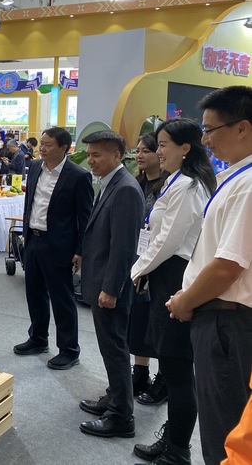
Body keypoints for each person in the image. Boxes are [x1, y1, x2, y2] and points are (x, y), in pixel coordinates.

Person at [168, 86, 252, 465]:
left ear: (242, 128)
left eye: (210, 130)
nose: (205, 140)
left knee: (224, 434)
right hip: (221, 318)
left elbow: (228, 265)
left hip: (227, 322)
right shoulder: (236, 176)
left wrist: (185, 301)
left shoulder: (248, 184)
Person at [130, 119, 215, 465]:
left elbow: (168, 239)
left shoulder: (189, 186)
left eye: (164, 145)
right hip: (166, 273)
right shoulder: (177, 180)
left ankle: (178, 449)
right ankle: (173, 440)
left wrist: (137, 269)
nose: (158, 151)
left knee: (178, 369)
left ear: (186, 148)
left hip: (176, 276)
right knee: (172, 364)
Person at [78, 131, 145, 439]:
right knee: (109, 346)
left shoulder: (126, 189)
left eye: (97, 155)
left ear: (117, 155)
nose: (91, 161)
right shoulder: (111, 183)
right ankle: (115, 397)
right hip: (102, 280)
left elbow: (124, 246)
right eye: (89, 155)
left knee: (115, 348)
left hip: (111, 285)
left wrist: (111, 288)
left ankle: (121, 416)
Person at [14, 127, 94, 370]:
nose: (42, 149)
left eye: (48, 145)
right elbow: (30, 203)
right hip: (33, 240)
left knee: (62, 298)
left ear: (64, 148)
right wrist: (26, 233)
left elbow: (85, 217)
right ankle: (38, 338)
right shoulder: (35, 167)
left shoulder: (78, 176)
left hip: (59, 244)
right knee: (34, 293)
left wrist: (80, 250)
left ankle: (69, 350)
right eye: (42, 144)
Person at [131, 133, 169, 403]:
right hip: (138, 259)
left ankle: (163, 378)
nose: (140, 155)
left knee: (161, 323)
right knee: (139, 319)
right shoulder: (136, 184)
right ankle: (140, 371)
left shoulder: (171, 186)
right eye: (137, 150)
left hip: (163, 261)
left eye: (147, 150)